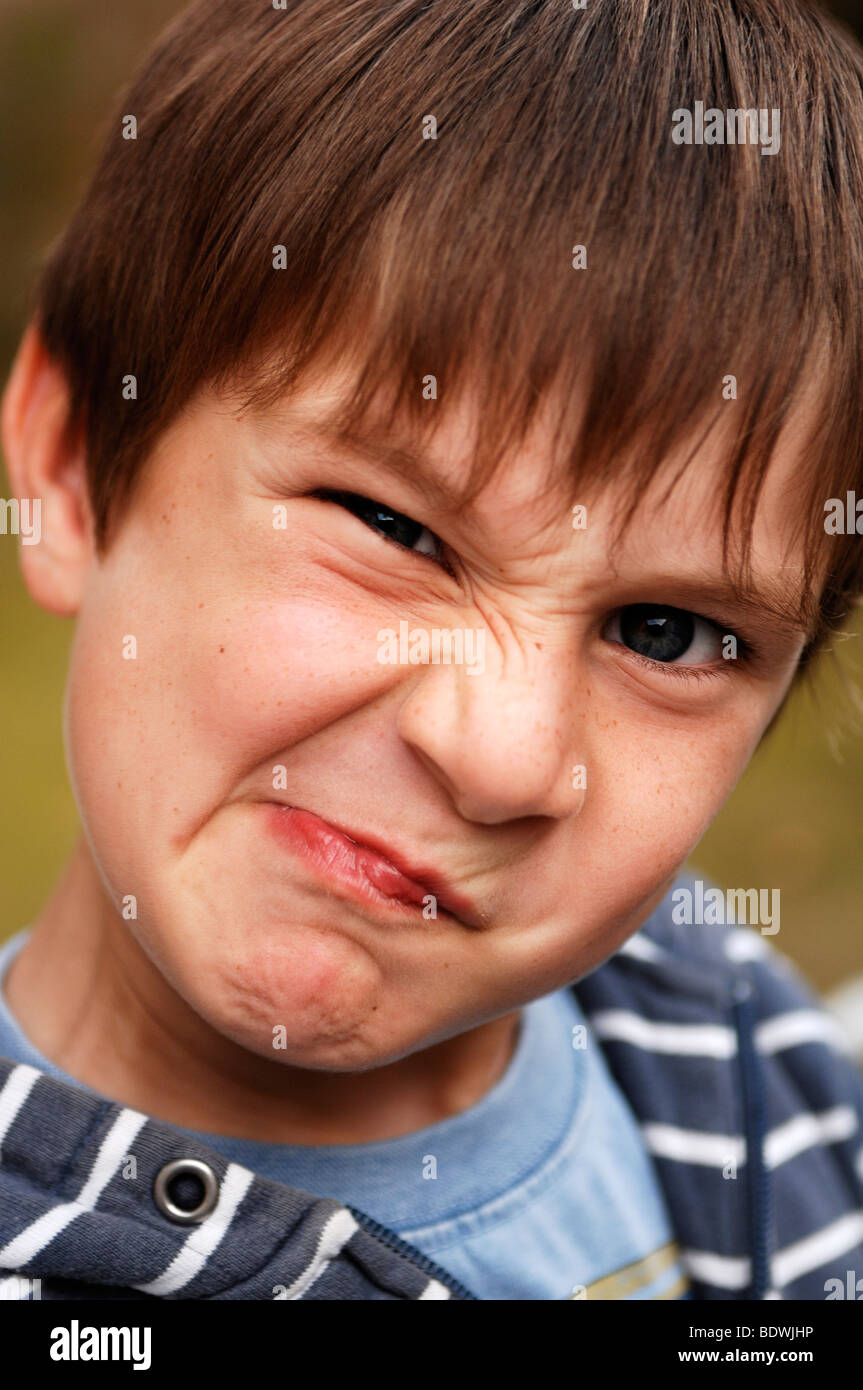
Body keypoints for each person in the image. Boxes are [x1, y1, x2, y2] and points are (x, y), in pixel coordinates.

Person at [1, 0, 862, 1301]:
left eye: (666, 632)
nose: (502, 753)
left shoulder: (740, 1051)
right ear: (69, 466)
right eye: (395, 526)